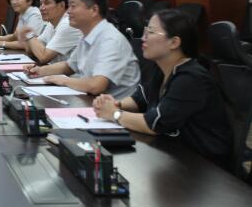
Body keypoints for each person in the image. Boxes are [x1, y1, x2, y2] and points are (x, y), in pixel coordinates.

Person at [93, 9, 233, 167]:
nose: (143, 38)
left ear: (174, 42)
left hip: (204, 165)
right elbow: (140, 99)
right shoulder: (161, 68)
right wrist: (115, 104)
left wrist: (115, 114)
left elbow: (154, 124)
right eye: (145, 31)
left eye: (151, 32)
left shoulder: (191, 78)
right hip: (173, 153)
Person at [24, 0, 140, 99]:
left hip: (115, 107)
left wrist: (64, 80)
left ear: (94, 10)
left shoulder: (110, 40)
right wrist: (40, 71)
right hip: (92, 100)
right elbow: (69, 66)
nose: (68, 11)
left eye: (73, 6)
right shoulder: (87, 35)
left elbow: (96, 86)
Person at [21, 0, 82, 64]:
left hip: (70, 72)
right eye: (41, 4)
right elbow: (30, 51)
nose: (41, 8)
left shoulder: (68, 24)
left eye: (46, 3)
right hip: (55, 69)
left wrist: (29, 35)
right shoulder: (51, 23)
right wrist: (30, 39)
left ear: (61, 5)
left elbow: (43, 57)